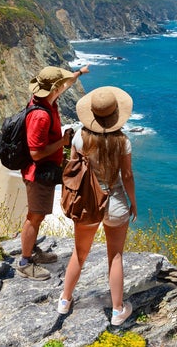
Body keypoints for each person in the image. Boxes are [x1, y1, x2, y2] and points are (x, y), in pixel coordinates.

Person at [57, 86, 137, 326]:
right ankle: (117, 310)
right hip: (115, 201)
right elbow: (128, 176)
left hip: (87, 203)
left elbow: (73, 168)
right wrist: (133, 203)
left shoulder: (80, 138)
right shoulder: (122, 141)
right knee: (115, 256)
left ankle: (64, 300)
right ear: (115, 115)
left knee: (79, 254)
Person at [16, 64, 89, 280]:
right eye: (60, 84)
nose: (63, 87)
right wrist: (63, 142)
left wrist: (79, 73)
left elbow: (66, 84)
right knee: (35, 217)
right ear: (54, 88)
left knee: (38, 215)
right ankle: (25, 261)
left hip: (43, 171)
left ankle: (30, 251)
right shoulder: (41, 116)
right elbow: (36, 152)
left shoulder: (46, 101)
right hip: (37, 173)